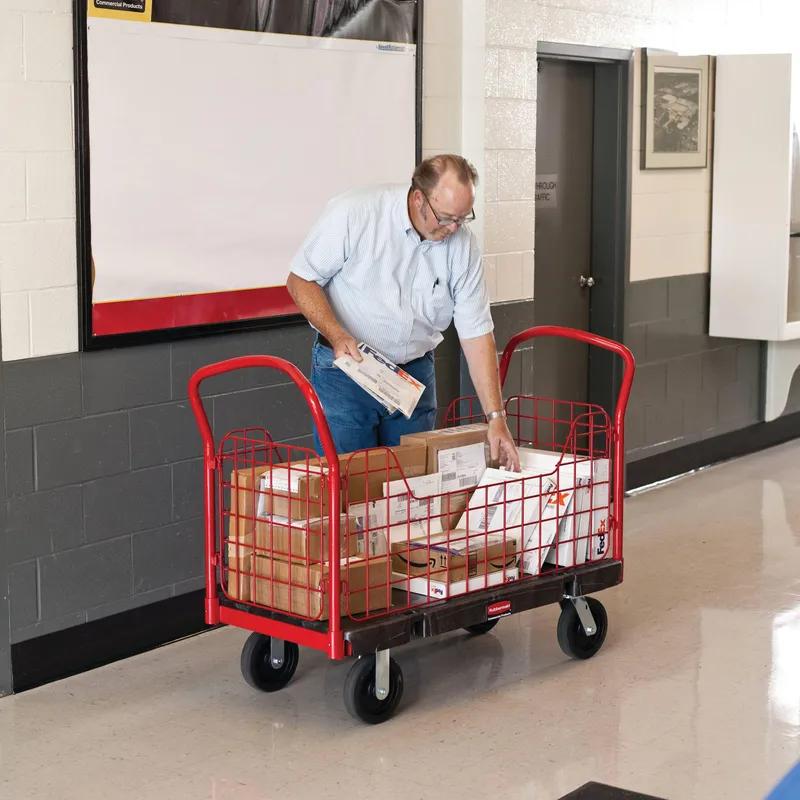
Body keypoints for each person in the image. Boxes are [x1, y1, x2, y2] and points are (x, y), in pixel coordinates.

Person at [287, 153, 520, 470]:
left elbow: (477, 332)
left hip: (411, 376)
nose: (453, 228)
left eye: (463, 219)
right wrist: (336, 332)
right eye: (446, 217)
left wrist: (496, 417)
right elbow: (301, 280)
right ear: (418, 198)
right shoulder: (356, 214)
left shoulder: (462, 245)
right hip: (348, 372)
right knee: (348, 485)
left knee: (411, 489)